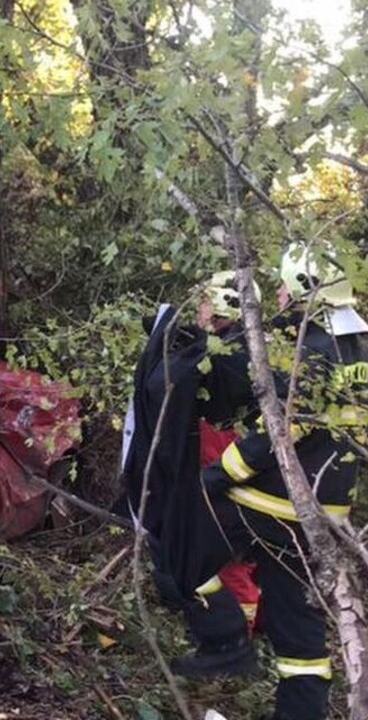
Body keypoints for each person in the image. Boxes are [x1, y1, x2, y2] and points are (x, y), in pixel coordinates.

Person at [169, 245, 368, 720]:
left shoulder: (315, 349)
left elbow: (281, 432)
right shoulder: (359, 349)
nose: (280, 295)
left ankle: (223, 638)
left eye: (285, 286)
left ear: (306, 289)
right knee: (298, 632)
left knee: (175, 536)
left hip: (272, 502)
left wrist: (218, 474)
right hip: (323, 513)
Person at [116, 271, 261, 650]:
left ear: (220, 308)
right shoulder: (229, 348)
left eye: (205, 302)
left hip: (218, 473)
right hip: (217, 469)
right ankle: (221, 628)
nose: (198, 309)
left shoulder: (227, 358)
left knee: (224, 557)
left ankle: (235, 639)